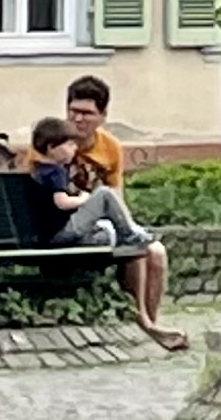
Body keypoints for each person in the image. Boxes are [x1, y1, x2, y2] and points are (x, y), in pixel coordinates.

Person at [58, 74, 187, 352]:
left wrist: (123, 223)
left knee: (156, 253)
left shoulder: (110, 147)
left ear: (102, 116)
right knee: (134, 243)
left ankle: (151, 322)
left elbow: (117, 196)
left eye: (86, 113)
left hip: (103, 223)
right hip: (68, 226)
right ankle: (144, 323)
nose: (78, 119)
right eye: (73, 111)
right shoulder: (54, 142)